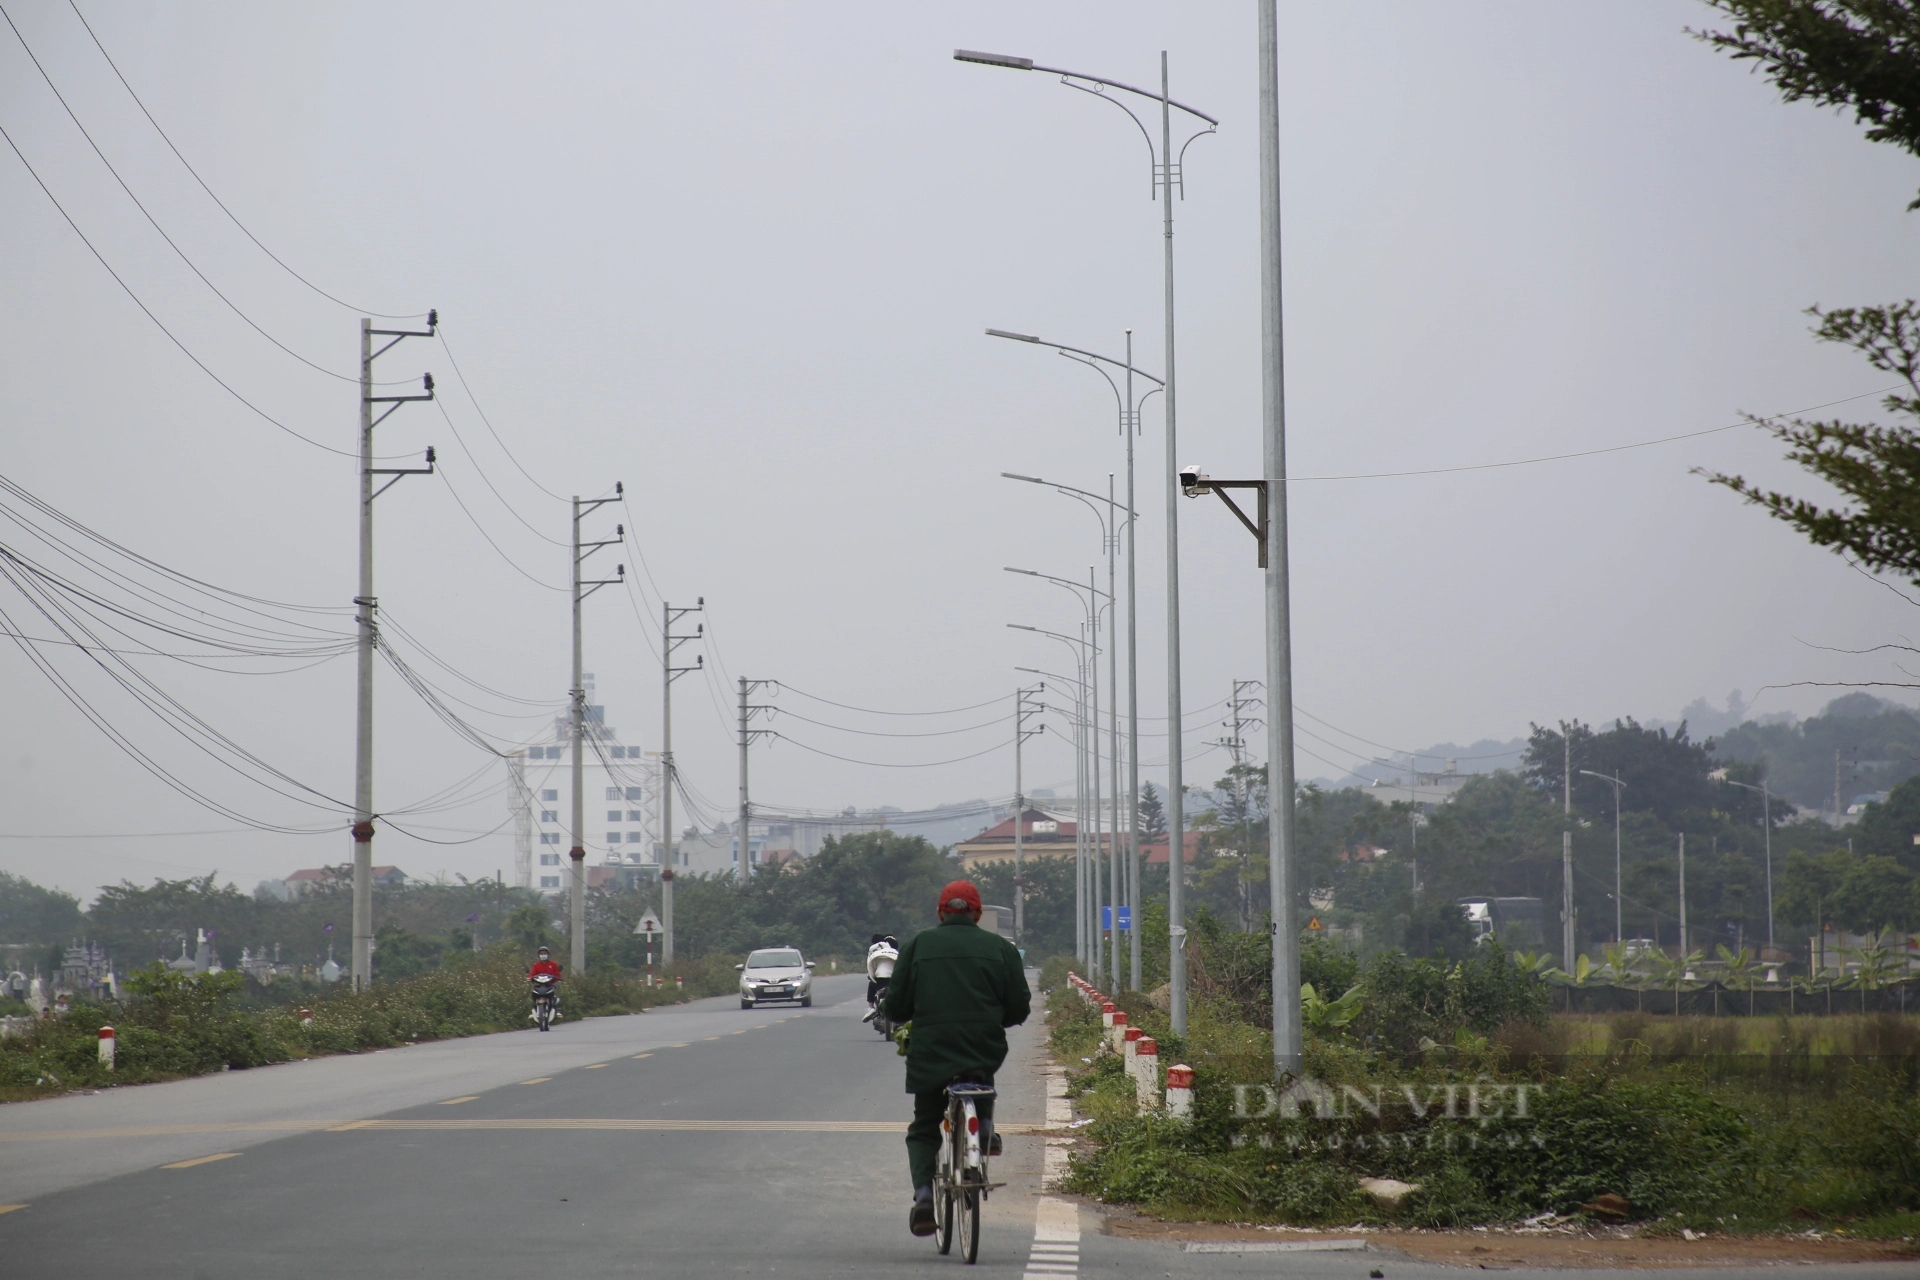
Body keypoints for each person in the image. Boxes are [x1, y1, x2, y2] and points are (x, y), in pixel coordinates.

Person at [882, 879, 1030, 1237]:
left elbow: (898, 1006)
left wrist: (895, 1011)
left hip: (931, 1052)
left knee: (924, 1125)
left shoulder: (918, 945)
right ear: (978, 914)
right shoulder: (1000, 949)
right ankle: (987, 1131)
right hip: (982, 1048)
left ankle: (922, 1198)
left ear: (940, 912)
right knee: (981, 1073)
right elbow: (1018, 1008)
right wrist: (997, 1019)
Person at [528, 945, 562, 1017]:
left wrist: (557, 978)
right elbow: (532, 974)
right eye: (541, 953)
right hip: (539, 985)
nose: (543, 955)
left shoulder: (553, 964)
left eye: (545, 953)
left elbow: (557, 974)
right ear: (539, 955)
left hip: (550, 984)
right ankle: (533, 1010)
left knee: (556, 995)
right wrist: (530, 978)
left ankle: (557, 1010)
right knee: (533, 994)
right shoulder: (536, 965)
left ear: (548, 954)